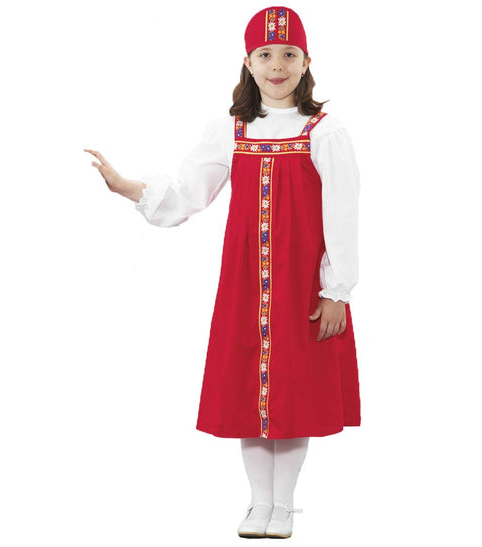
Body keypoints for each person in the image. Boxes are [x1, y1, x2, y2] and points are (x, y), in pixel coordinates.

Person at [84, 5, 361, 540]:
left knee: (293, 391)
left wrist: (337, 289)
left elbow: (342, 213)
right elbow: (188, 193)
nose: (277, 65)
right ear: (248, 62)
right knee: (248, 390)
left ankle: (284, 505)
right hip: (246, 283)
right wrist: (129, 187)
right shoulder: (231, 130)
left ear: (306, 63)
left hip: (303, 285)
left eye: (289, 54)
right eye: (265, 54)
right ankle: (259, 503)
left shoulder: (325, 132)